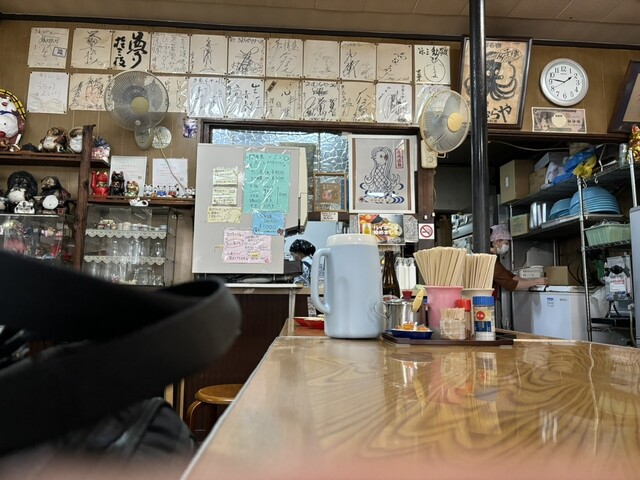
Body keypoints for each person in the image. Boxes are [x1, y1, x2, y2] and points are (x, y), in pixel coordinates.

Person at [490, 224, 549, 291]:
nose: (507, 247)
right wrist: (536, 282)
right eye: (506, 243)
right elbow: (510, 285)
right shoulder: (490, 260)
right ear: (497, 241)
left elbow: (509, 276)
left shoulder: (493, 258)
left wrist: (530, 283)